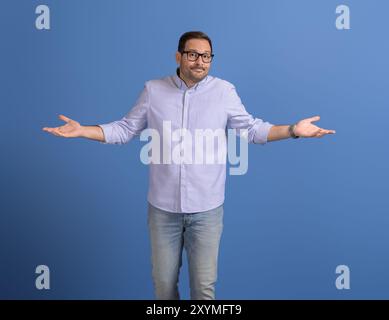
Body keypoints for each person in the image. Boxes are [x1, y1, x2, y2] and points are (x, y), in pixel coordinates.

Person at [43, 31, 335, 300]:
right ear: (178, 56)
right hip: (162, 211)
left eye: (206, 56)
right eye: (193, 54)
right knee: (164, 287)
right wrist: (82, 130)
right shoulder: (153, 90)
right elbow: (124, 129)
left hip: (207, 211)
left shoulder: (224, 92)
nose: (200, 61)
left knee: (204, 289)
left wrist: (294, 129)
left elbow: (252, 130)